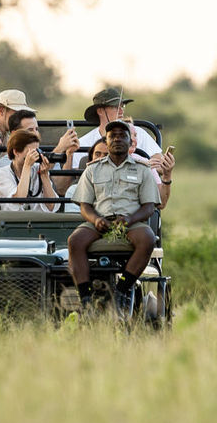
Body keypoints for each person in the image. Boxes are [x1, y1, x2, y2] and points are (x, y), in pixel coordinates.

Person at [68, 120, 160, 313]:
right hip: (99, 220)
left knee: (148, 238)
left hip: (130, 221)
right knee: (74, 241)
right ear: (107, 141)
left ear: (130, 142)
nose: (117, 139)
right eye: (113, 136)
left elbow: (149, 206)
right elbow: (84, 205)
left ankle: (122, 289)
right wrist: (95, 219)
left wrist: (129, 220)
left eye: (122, 135)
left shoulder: (142, 169)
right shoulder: (93, 169)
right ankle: (86, 298)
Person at [64, 137, 173, 213]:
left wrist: (167, 176)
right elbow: (75, 221)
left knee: (146, 238)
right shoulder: (75, 189)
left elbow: (156, 205)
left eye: (106, 155)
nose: (101, 158)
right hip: (92, 227)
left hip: (127, 226)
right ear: (90, 158)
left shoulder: (133, 183)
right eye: (97, 154)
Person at [73, 88, 162, 167]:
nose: (121, 110)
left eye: (122, 106)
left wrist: (144, 167)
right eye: (115, 106)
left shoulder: (138, 132)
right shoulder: (83, 143)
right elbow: (77, 176)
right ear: (100, 111)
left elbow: (160, 163)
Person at [0, 128, 61, 212]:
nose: (35, 155)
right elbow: (20, 198)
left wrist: (44, 175)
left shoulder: (37, 169)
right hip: (14, 222)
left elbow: (51, 206)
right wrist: (27, 166)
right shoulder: (2, 173)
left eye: (37, 151)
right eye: (31, 152)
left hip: (39, 221)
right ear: (16, 152)